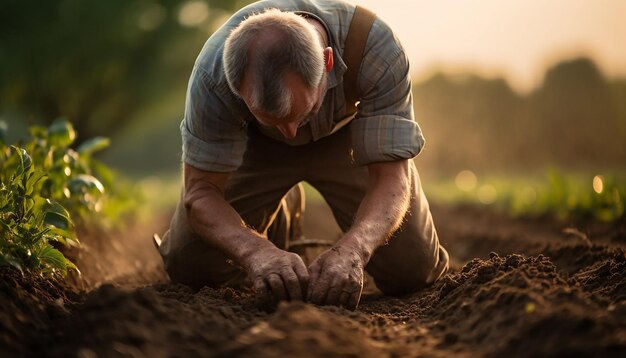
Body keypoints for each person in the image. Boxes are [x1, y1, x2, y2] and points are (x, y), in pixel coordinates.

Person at [156, 0, 449, 310]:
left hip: (347, 140)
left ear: (327, 62)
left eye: (302, 111)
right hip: (254, 148)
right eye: (272, 119)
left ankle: (281, 186)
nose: (290, 134)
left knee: (411, 268)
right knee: (191, 267)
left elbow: (392, 178)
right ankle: (280, 209)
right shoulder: (211, 75)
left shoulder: (376, 49)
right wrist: (256, 251)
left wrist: (354, 250)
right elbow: (201, 191)